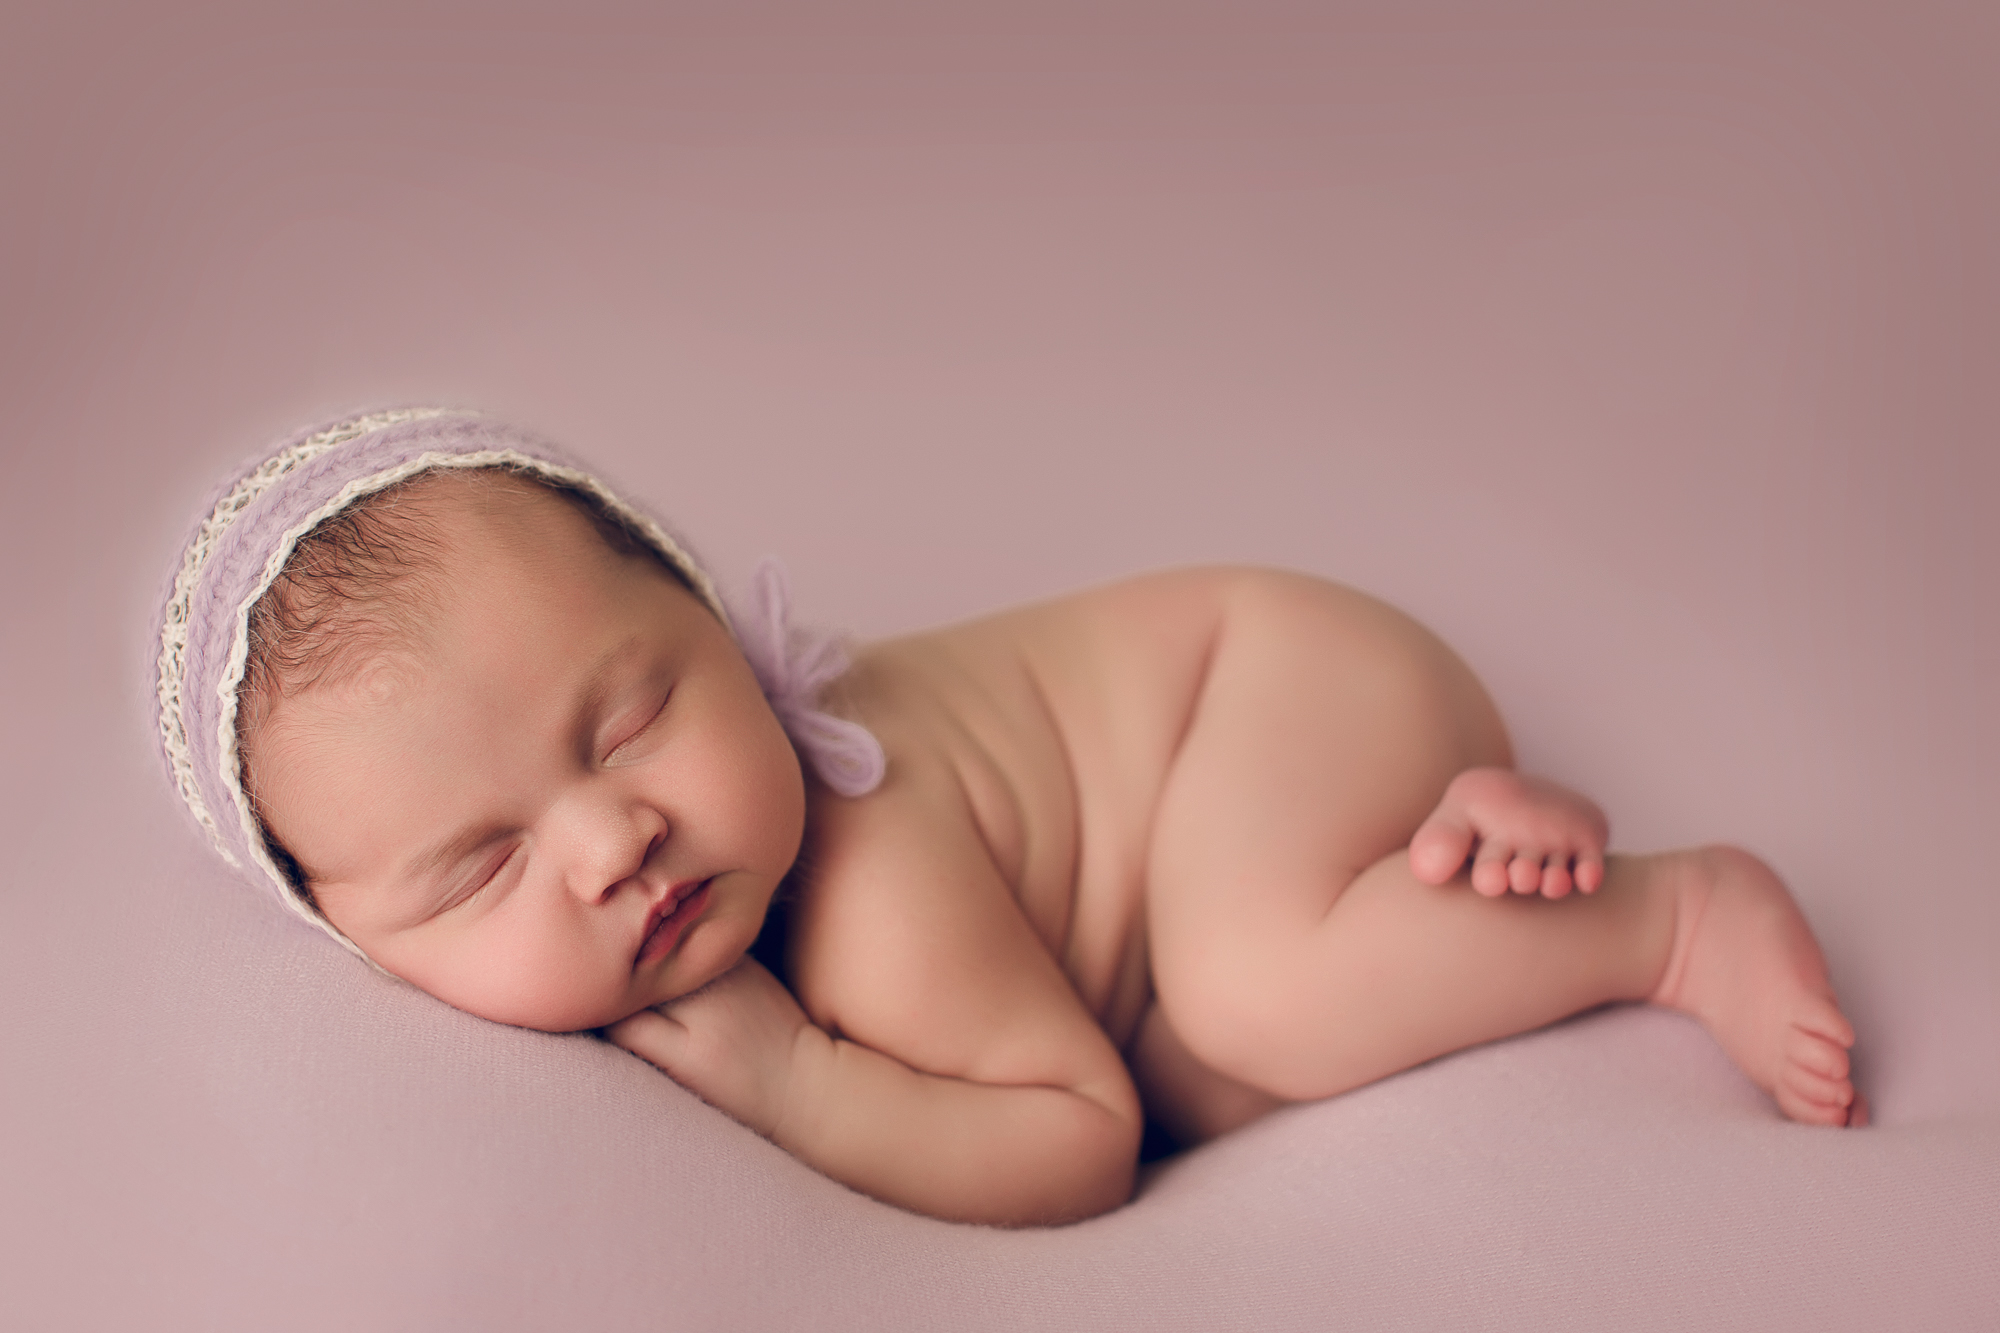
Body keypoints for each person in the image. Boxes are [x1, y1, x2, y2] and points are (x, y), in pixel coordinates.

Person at [156, 410, 1862, 1228]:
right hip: (1254, 781)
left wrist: (800, 1078)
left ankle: (1670, 911)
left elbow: (1079, 1139)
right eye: (484, 862)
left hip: (1276, 690)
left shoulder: (871, 861)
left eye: (634, 717)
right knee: (1218, 1045)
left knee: (1252, 992)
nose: (612, 844)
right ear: (355, 941)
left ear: (713, 617)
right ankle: (1456, 856)